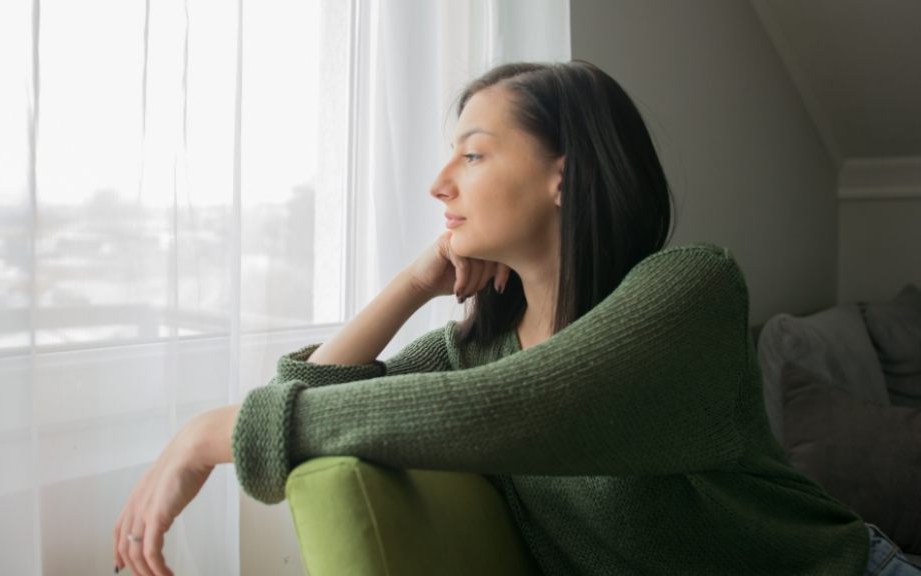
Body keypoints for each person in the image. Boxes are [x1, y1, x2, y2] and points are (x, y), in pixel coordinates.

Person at [113, 61, 921, 576]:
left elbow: (522, 405)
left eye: (472, 153)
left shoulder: (690, 290)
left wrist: (212, 436)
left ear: (564, 175)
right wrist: (412, 283)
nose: (439, 182)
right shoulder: (481, 347)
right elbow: (310, 390)